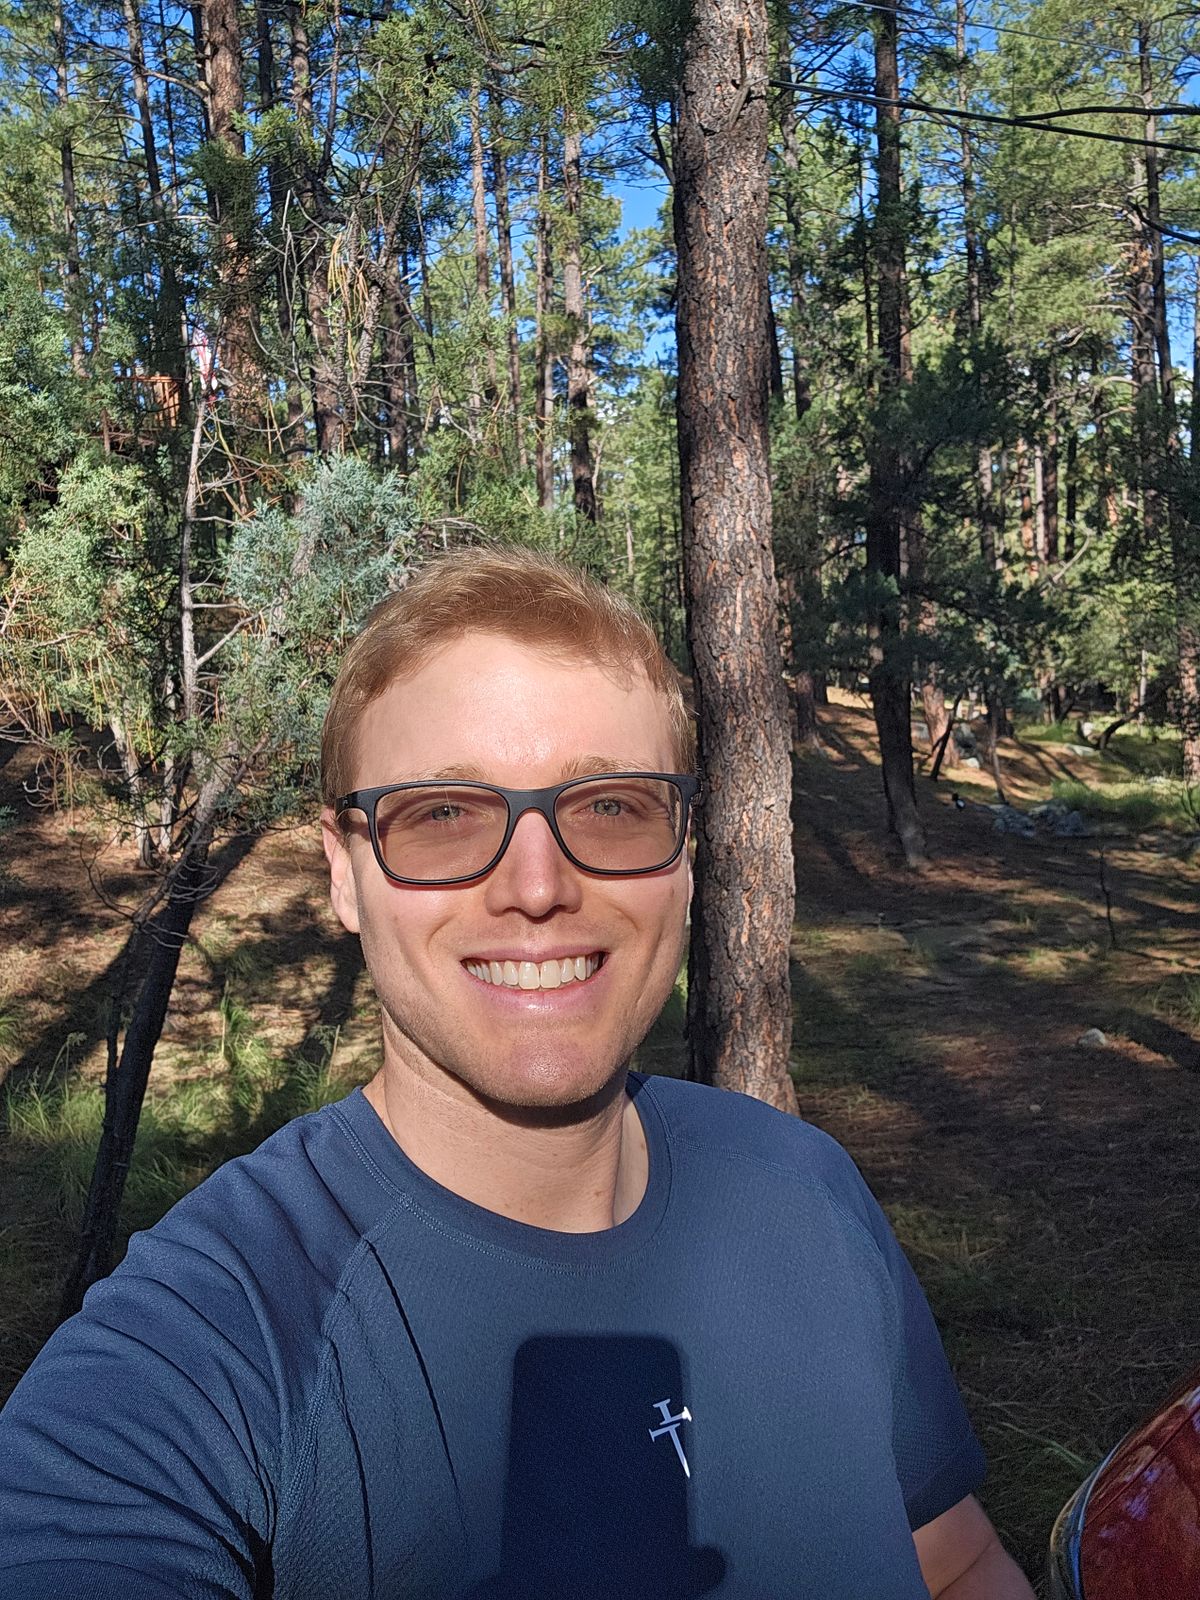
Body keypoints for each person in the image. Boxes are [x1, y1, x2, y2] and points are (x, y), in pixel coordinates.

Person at [0, 546, 1035, 1599]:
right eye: (443, 815)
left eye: (611, 807)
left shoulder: (806, 1186)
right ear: (343, 872)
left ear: (685, 857)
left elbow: (953, 1563)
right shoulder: (220, 1334)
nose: (537, 886)